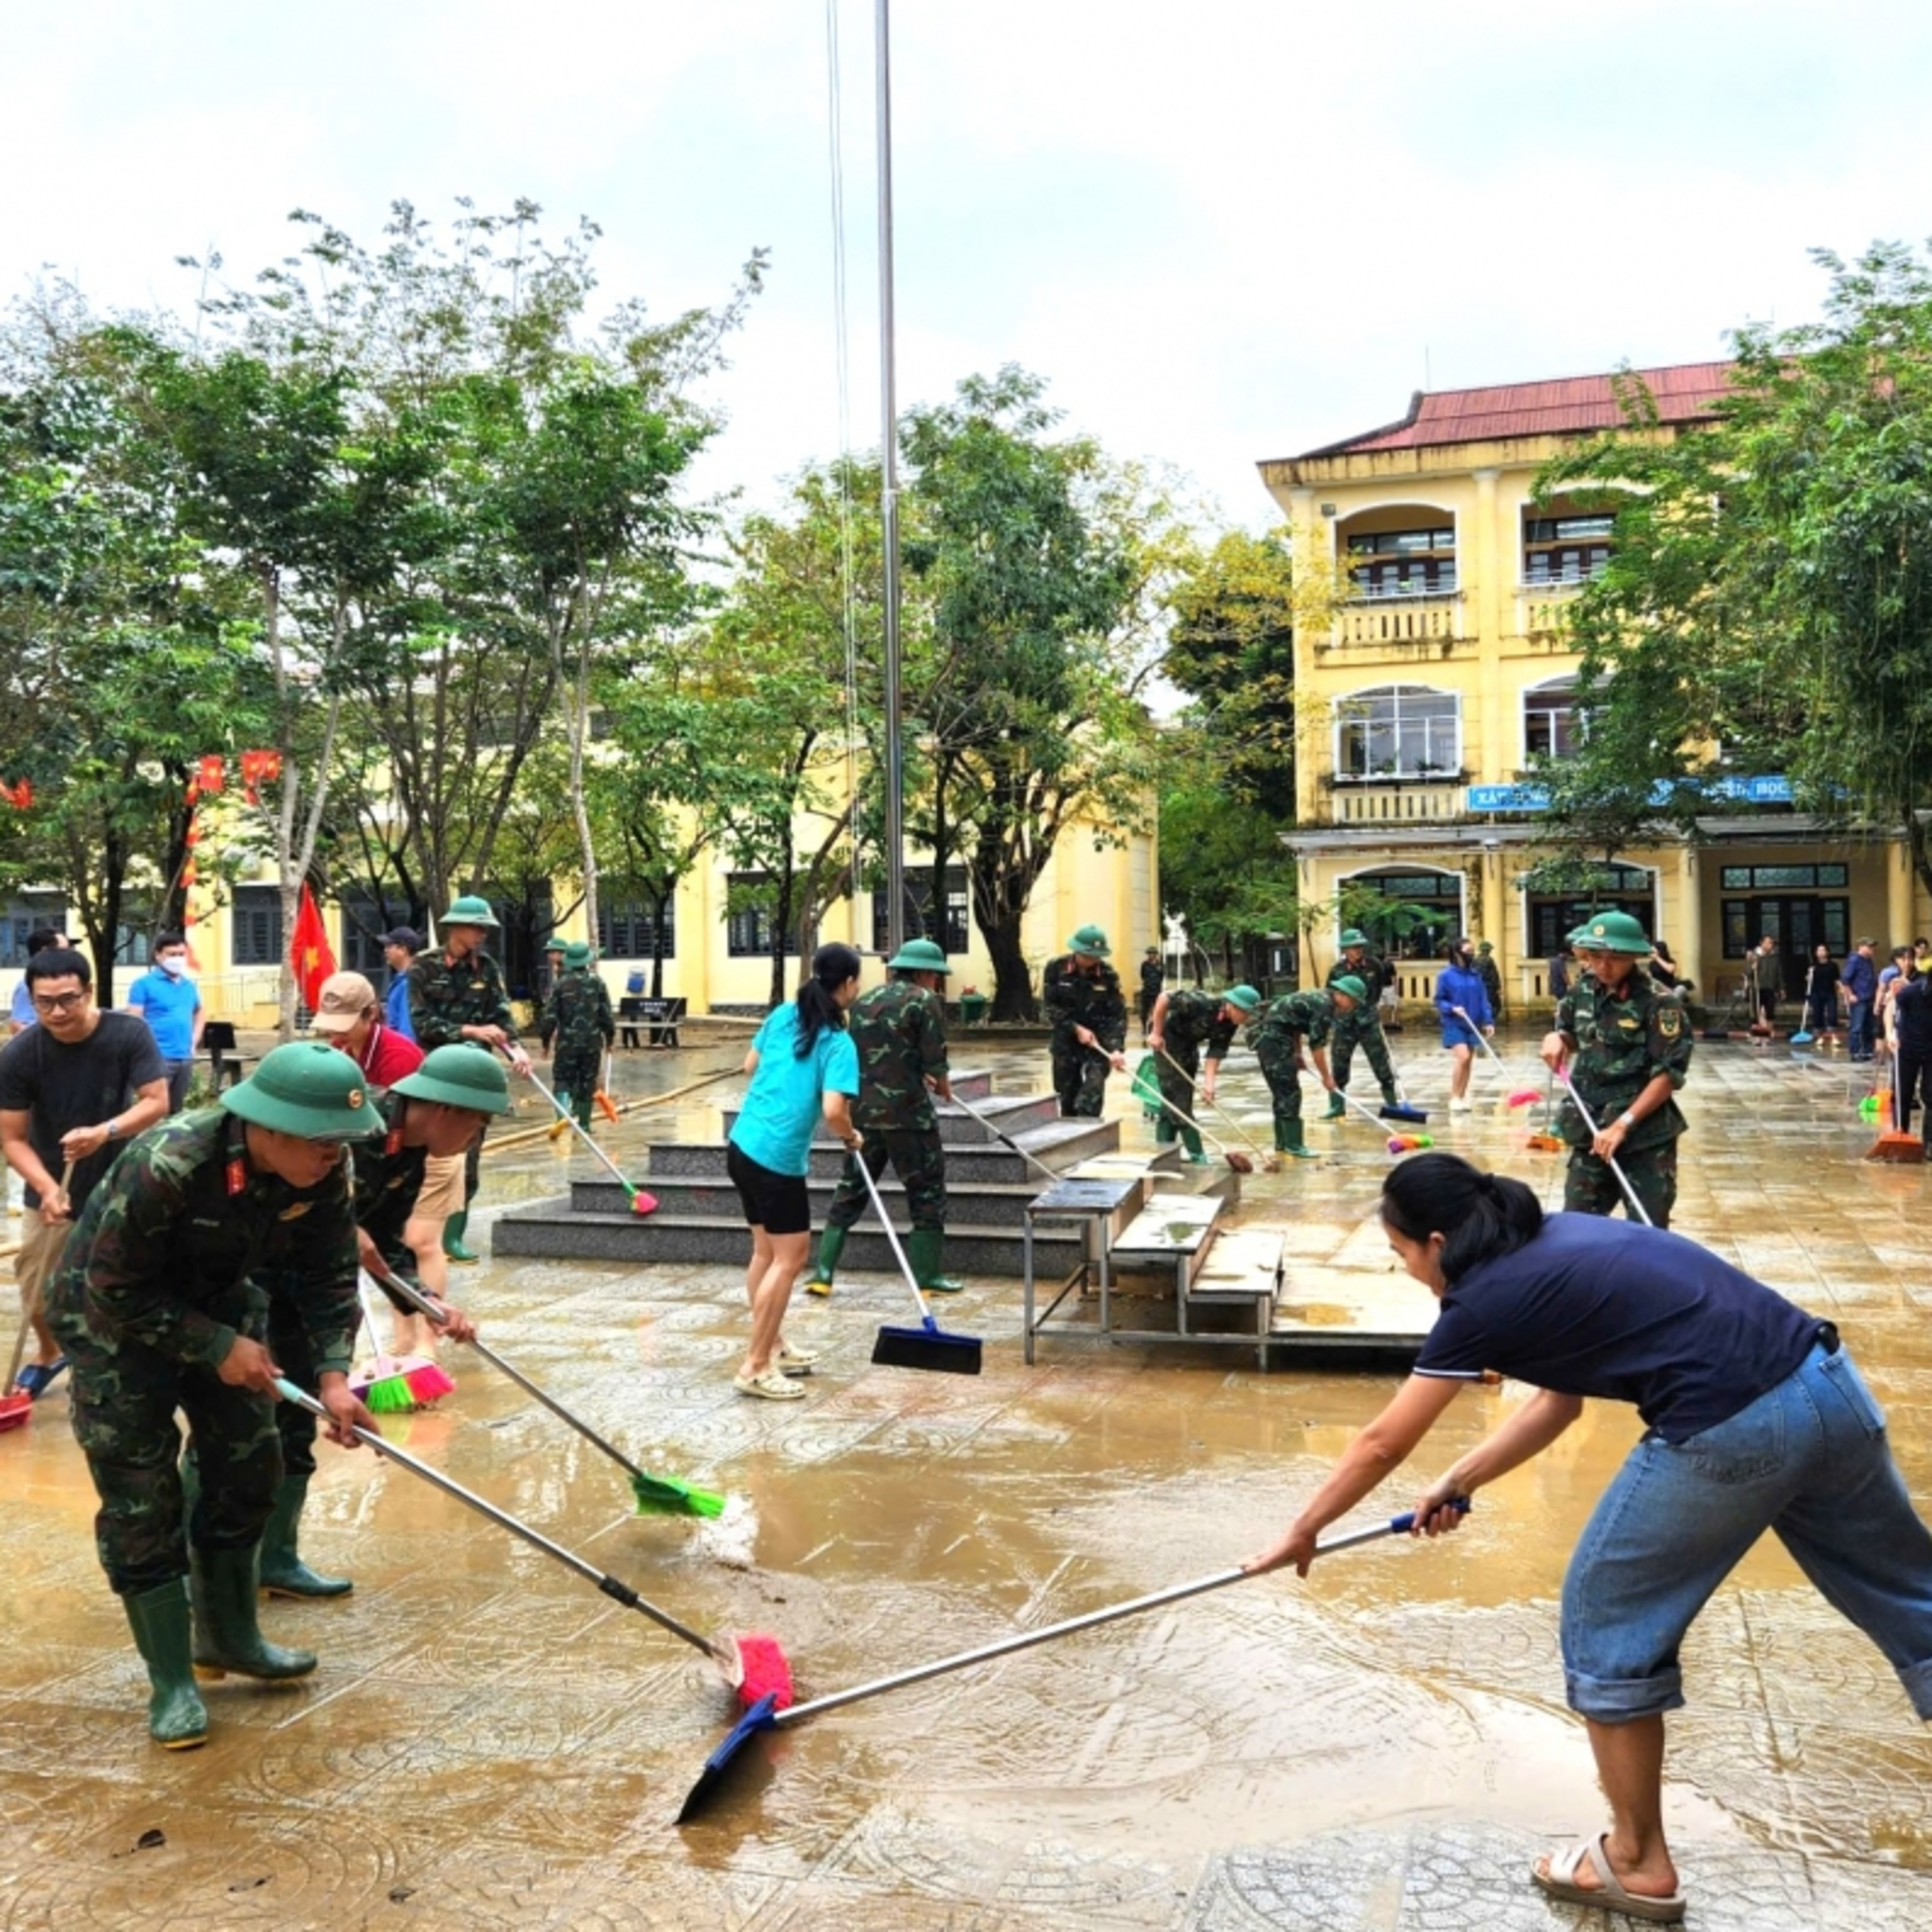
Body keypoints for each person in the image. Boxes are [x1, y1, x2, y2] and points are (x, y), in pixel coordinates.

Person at [1245, 1152, 1932, 1925]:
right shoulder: (1553, 1244)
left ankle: (1636, 1862)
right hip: (1826, 1387)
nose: (1404, 1269)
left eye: (1401, 1254)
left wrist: (1301, 1532)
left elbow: (1380, 1443)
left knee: (1607, 1623)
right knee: (1914, 1598)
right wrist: (1460, 1481)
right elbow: (1557, 1408)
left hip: (1733, 1425)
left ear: (1436, 1242)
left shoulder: (1478, 1304)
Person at [43, 1043, 383, 1747]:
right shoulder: (171, 1162)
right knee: (143, 1497)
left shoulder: (323, 1169)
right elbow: (117, 1288)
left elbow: (328, 1273)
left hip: (220, 1302)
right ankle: (170, 1680)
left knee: (249, 1465)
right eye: (324, 1142)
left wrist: (331, 1377)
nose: (336, 1156)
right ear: (271, 1127)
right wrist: (214, 1347)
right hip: (110, 1323)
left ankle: (228, 1638)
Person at [0, 948, 169, 1397]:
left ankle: (132, 1368)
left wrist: (105, 1132)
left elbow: (157, 1101)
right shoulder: (20, 1053)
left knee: (131, 1283)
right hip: (54, 1184)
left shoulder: (128, 1034)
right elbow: (13, 1138)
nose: (57, 1011)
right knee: (37, 1287)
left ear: (89, 991)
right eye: (44, 1002)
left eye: (68, 999)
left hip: (125, 1180)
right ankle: (50, 1352)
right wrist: (46, 1187)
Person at [725, 943, 862, 1401]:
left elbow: (749, 1066)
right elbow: (834, 1109)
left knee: (765, 1253)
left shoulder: (783, 1014)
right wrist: (850, 1136)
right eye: (857, 980)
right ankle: (756, 1365)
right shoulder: (839, 1043)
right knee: (791, 1259)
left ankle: (775, 1345)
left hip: (743, 1145)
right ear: (846, 984)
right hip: (777, 1160)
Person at [808, 938, 960, 1297]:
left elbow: (872, 1053)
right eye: (936, 976)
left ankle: (823, 1273)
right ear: (924, 973)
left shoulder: (864, 1002)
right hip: (910, 1118)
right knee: (927, 1193)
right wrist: (942, 1084)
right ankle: (927, 1279)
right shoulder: (925, 1001)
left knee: (851, 1191)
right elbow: (934, 1057)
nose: (936, 983)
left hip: (864, 1116)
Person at [1543, 911, 1692, 1229]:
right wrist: (1557, 1039)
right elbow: (1569, 1030)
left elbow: (1668, 1075)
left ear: (1634, 956)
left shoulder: (1661, 1004)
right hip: (1591, 1128)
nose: (1603, 966)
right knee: (1576, 1230)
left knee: (1647, 1234)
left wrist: (1623, 1124)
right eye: (1595, 956)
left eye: (1615, 958)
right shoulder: (1582, 990)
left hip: (1644, 1135)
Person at [408, 895, 531, 1263]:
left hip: (477, 1076)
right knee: (429, 1156)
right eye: (475, 927)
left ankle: (453, 1237)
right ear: (454, 928)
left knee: (470, 1155)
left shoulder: (487, 968)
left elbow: (502, 1015)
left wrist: (517, 1049)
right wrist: (472, 1031)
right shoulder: (424, 968)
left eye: (485, 928)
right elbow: (422, 1023)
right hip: (436, 1073)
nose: (481, 934)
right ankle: (416, 1230)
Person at [1146, 980, 1259, 1164]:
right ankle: (1197, 1154)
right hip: (1167, 1045)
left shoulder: (1230, 1024)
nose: (1246, 1018)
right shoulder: (1201, 1003)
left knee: (1174, 1100)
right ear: (1232, 1005)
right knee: (1179, 1101)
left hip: (1189, 1048)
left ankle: (1163, 1150)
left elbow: (1215, 1054)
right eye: (1245, 1012)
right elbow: (1163, 998)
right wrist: (1156, 1033)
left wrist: (1209, 1085)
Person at [1253, 978, 1361, 1159]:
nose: (1354, 1006)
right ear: (1341, 995)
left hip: (1272, 1040)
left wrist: (1297, 1054)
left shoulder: (1320, 998)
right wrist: (1327, 1077)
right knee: (1290, 1093)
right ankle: (1294, 1145)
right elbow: (1317, 1046)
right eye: (1354, 1000)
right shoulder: (1325, 1008)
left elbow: (1294, 1024)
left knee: (1281, 1092)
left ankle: (1282, 1143)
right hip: (1275, 1042)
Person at [1042, 925, 1128, 1119]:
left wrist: (1116, 1049)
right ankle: (1070, 1139)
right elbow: (1050, 1007)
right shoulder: (1056, 968)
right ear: (1077, 952)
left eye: (1098, 956)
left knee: (1091, 1094)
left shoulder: (1108, 974)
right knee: (1068, 1098)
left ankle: (1090, 1136)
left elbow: (1117, 1015)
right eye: (1089, 956)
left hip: (1098, 1044)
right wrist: (1075, 1028)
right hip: (1066, 1042)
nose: (1094, 960)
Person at [1323, 927, 1401, 1119]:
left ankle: (1392, 1103)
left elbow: (1381, 986)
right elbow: (1330, 995)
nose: (1358, 951)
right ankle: (1337, 1106)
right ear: (1345, 950)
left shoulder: (1374, 965)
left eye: (1360, 947)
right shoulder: (1337, 971)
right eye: (1353, 947)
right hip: (1344, 1024)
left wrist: (1373, 1008)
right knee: (1339, 1064)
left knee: (1381, 1063)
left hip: (1369, 1022)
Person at [538, 940, 615, 1134]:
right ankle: (584, 1125)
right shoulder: (598, 983)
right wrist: (610, 1040)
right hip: (591, 1043)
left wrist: (545, 1043)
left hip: (567, 1044)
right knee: (587, 1082)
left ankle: (562, 1120)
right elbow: (606, 1016)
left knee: (563, 1079)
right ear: (587, 961)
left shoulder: (560, 984)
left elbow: (550, 1018)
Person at [125, 931, 204, 1113]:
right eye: (172, 954)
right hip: (157, 1058)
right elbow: (135, 1021)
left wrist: (194, 1040)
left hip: (184, 1057)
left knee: (176, 1110)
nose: (177, 959)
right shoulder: (143, 984)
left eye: (181, 954)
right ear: (158, 955)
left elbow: (200, 1010)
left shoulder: (188, 985)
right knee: (150, 1109)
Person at [311, 970, 423, 1089]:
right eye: (331, 1026)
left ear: (371, 1013)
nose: (336, 1036)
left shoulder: (399, 1059)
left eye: (344, 1027)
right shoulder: (338, 1049)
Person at [1435, 940, 1494, 1114]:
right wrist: (1451, 1008)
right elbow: (1439, 1000)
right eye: (1468, 951)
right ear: (1457, 953)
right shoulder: (1445, 976)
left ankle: (1462, 1096)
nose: (1472, 954)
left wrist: (1488, 1021)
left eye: (1473, 951)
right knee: (1463, 1056)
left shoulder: (1476, 975)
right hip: (1454, 1022)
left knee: (1469, 1061)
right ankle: (1454, 1097)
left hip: (1473, 1022)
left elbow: (1484, 1000)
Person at [1892, 960, 1932, 1149]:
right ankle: (1900, 1137)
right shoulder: (1910, 992)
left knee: (1931, 1096)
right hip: (1907, 1047)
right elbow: (1893, 1009)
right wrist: (1891, 1033)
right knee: (1903, 1095)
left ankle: (1930, 1144)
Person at [8, 925, 68, 1036]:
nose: (70, 956)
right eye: (63, 951)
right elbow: (19, 1026)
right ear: (45, 952)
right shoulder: (28, 986)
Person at [1792, 943, 1841, 1046]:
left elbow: (1837, 979)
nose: (1821, 952)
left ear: (1827, 952)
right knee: (1818, 1015)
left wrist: (1841, 989)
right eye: (1819, 951)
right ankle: (1820, 1036)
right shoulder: (1813, 966)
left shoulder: (1833, 965)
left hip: (1830, 993)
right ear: (1816, 953)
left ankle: (1834, 1036)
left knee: (1832, 1015)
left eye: (1823, 950)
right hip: (1816, 993)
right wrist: (1809, 976)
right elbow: (1808, 980)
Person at [379, 928, 422, 1043]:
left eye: (389, 946)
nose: (385, 951)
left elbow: (407, 1031)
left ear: (403, 950)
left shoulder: (408, 983)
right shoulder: (404, 980)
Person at [1842, 937, 1879, 1062]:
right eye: (1869, 947)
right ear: (1861, 947)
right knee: (1857, 1027)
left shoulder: (1869, 961)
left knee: (1869, 1027)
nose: (1872, 950)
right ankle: (1855, 1052)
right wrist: (1850, 995)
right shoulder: (1854, 960)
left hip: (1870, 997)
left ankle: (1868, 1051)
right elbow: (1846, 980)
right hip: (1859, 998)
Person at [1748, 934, 1783, 1036]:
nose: (1770, 945)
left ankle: (1769, 1030)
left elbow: (1779, 973)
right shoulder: (1754, 956)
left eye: (1772, 943)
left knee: (1770, 1010)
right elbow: (1747, 973)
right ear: (1762, 943)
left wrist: (1781, 988)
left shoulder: (1775, 958)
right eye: (1768, 943)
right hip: (1757, 986)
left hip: (1770, 987)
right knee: (1755, 1010)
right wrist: (1752, 967)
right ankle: (1755, 1031)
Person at [1473, 940, 1505, 1025]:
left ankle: (1483, 1021)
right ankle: (1489, 1022)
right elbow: (1494, 975)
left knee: (1482, 1005)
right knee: (1496, 1006)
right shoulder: (1489, 960)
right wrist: (1498, 987)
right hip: (1490, 987)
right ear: (1488, 950)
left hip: (1478, 987)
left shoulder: (1475, 960)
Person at [1137, 947, 1164, 1037]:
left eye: (1153, 954)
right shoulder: (1144, 965)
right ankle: (1144, 1028)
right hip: (1147, 991)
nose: (1151, 955)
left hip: (1157, 991)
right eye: (1150, 954)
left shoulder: (1160, 965)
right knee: (1144, 1011)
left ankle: (1155, 1029)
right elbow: (1143, 976)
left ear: (1156, 955)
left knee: (1158, 1011)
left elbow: (1161, 977)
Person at [1547, 940, 1573, 1005]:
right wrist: (1570, 985)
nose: (1568, 957)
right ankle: (1561, 1014)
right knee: (1564, 1002)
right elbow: (1564, 975)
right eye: (1568, 955)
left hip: (1554, 986)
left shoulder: (1552, 961)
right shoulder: (1561, 962)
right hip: (1561, 987)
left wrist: (1550, 987)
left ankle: (1559, 1013)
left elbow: (1550, 975)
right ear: (1565, 953)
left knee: (1559, 1002)